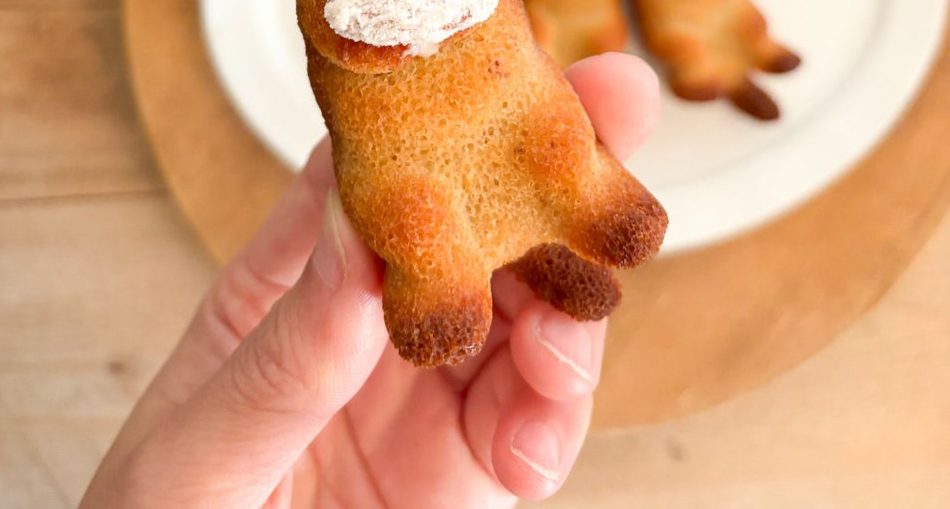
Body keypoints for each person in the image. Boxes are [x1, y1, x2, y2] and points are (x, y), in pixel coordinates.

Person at [80, 53, 660, 508]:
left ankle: (592, 208)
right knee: (415, 218)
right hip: (413, 180)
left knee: (558, 146)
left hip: (513, 114)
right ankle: (445, 285)